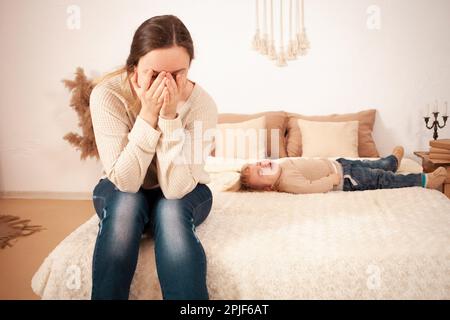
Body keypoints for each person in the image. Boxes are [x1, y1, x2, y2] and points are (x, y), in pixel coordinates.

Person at [89, 15, 217, 300]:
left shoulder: (202, 105)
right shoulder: (108, 95)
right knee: (126, 203)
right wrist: (147, 116)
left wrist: (169, 118)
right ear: (134, 68)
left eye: (177, 74)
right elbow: (125, 181)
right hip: (122, 188)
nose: (166, 84)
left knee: (169, 210)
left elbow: (174, 190)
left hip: (184, 189)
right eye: (155, 74)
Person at [234, 146, 447, 194]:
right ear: (270, 188)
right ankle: (424, 180)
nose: (262, 166)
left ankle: (391, 160)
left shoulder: (281, 164)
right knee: (381, 178)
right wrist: (332, 179)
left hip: (341, 163)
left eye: (258, 164)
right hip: (345, 177)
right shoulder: (287, 182)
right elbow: (310, 187)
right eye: (261, 173)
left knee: (377, 165)